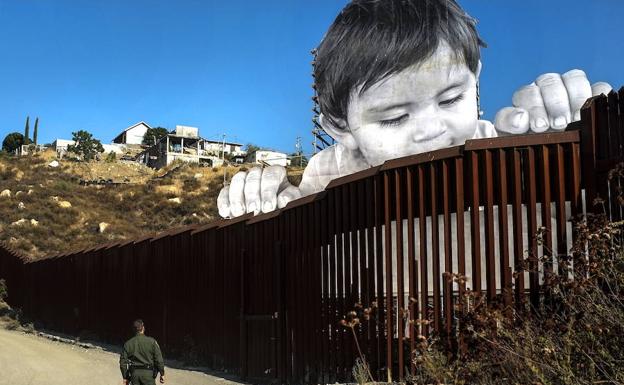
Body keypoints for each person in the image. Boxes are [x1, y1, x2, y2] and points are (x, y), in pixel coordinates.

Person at [217, 0, 612, 218]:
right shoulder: (326, 184)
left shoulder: (512, 148)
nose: (430, 130)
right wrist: (273, 204)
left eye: (452, 98)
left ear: (476, 78)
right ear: (340, 126)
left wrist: (585, 132)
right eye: (393, 117)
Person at [119, 319, 166, 385]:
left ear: (134, 330)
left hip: (134, 375)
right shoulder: (152, 342)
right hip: (148, 375)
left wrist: (125, 377)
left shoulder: (128, 343)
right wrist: (162, 373)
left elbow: (123, 362)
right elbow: (159, 360)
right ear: (143, 328)